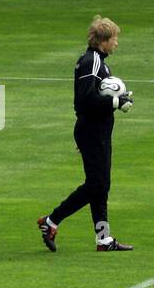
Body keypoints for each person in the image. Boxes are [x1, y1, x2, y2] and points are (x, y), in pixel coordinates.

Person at [38, 15, 135, 252]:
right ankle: (51, 220)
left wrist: (117, 102)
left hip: (96, 131)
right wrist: (114, 102)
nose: (117, 43)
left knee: (101, 185)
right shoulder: (91, 61)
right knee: (96, 184)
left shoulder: (100, 62)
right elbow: (85, 99)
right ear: (103, 40)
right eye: (114, 39)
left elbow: (96, 99)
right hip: (92, 131)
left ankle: (104, 239)